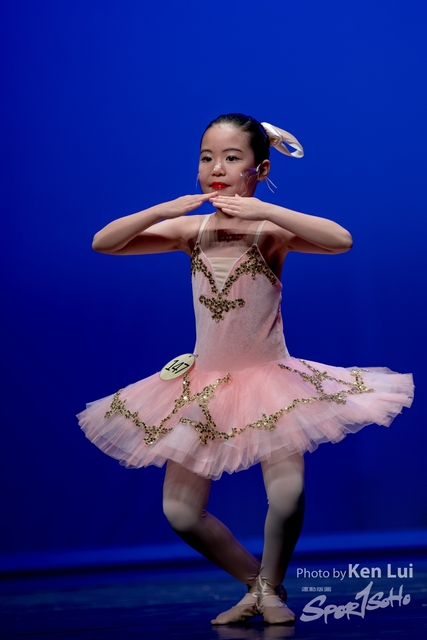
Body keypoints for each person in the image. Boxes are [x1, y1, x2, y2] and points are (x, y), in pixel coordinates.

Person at [77, 113, 414, 625]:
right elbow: (104, 242)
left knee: (287, 494)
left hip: (269, 382)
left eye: (231, 158)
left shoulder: (270, 231)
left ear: (259, 169)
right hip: (202, 387)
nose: (216, 168)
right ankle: (258, 585)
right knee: (180, 512)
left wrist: (266, 209)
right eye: (207, 157)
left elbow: (340, 239)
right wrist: (162, 209)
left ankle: (269, 590)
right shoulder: (189, 231)